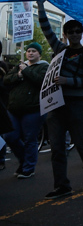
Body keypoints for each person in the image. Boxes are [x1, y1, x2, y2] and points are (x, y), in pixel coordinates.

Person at [38, 0, 83, 199]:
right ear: (65, 34)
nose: (75, 34)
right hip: (55, 104)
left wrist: (68, 80)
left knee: (80, 141)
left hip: (77, 104)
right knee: (57, 147)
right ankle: (62, 185)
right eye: (71, 31)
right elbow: (46, 28)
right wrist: (40, 5)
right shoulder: (60, 50)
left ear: (81, 33)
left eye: (78, 31)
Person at [2, 42, 49, 177]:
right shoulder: (20, 66)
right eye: (28, 51)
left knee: (30, 138)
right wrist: (18, 75)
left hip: (33, 109)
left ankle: (29, 168)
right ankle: (24, 160)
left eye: (34, 51)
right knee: (10, 136)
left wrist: (26, 71)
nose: (30, 53)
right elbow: (6, 79)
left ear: (39, 53)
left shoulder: (44, 67)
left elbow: (41, 81)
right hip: (14, 108)